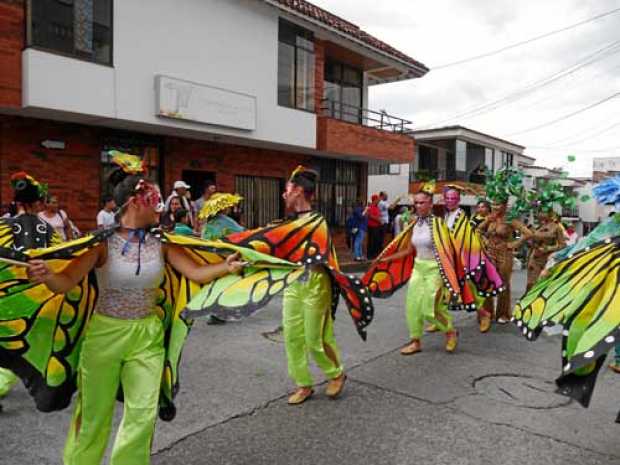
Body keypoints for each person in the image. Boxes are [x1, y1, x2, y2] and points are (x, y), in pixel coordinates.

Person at [22, 154, 246, 465]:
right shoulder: (101, 244)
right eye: (153, 198)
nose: (160, 205)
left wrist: (226, 266)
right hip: (104, 336)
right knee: (93, 417)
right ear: (134, 202)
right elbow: (66, 282)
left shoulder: (163, 242)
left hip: (147, 337)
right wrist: (47, 276)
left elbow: (194, 273)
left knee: (142, 414)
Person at [220, 166, 373, 405]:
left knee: (316, 338)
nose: (284, 194)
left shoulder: (316, 222)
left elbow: (299, 248)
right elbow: (276, 248)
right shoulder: (288, 224)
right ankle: (303, 383)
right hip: (293, 283)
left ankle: (336, 373)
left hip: (315, 284)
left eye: (287, 189)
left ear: (299, 191)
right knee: (292, 336)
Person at [512, 174, 620, 415]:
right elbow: (581, 246)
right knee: (581, 335)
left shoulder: (558, 227)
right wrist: (554, 262)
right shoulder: (611, 226)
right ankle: (584, 365)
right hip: (605, 294)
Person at [366, 181, 473, 356]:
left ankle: (450, 331)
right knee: (413, 306)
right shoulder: (415, 224)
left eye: (422, 202)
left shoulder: (439, 225)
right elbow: (408, 250)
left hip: (435, 270)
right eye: (415, 203)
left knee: (429, 308)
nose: (417, 206)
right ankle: (415, 341)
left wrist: (451, 278)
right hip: (418, 268)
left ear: (431, 204)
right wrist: (383, 259)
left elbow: (449, 252)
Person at [0, 172, 60, 412]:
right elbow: (61, 261)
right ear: (37, 204)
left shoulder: (2, 227)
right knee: (32, 342)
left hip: (7, 298)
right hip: (41, 298)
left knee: (8, 342)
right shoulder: (48, 231)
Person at [477, 168, 532, 324]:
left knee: (502, 284)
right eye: (493, 204)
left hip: (504, 254)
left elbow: (528, 233)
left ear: (505, 204)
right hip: (490, 253)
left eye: (498, 204)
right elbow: (478, 230)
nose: (494, 207)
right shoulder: (491, 218)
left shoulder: (510, 219)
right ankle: (487, 312)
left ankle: (503, 314)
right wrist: (486, 237)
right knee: (487, 282)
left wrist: (514, 244)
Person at [524, 210, 566, 291]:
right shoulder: (537, 226)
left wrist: (549, 248)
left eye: (543, 212)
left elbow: (563, 245)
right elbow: (530, 242)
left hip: (548, 260)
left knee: (544, 284)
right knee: (531, 284)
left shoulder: (557, 228)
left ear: (550, 213)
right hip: (535, 258)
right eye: (540, 212)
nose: (540, 214)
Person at [366, 195, 382, 259]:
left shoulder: (376, 207)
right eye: (378, 200)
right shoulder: (371, 207)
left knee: (376, 241)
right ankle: (370, 255)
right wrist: (378, 219)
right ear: (375, 200)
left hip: (377, 226)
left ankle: (374, 254)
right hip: (372, 227)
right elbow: (370, 215)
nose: (379, 201)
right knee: (371, 241)